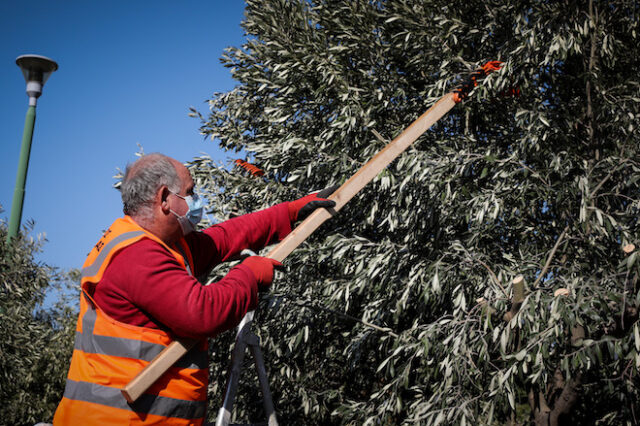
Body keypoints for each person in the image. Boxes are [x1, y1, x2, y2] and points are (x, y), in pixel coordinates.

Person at [53, 153, 335, 425]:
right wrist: (249, 275)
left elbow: (223, 239)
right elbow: (202, 312)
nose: (197, 201)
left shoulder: (163, 243)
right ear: (164, 199)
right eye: (190, 192)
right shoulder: (137, 256)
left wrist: (288, 212)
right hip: (116, 420)